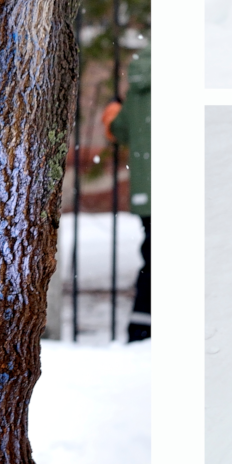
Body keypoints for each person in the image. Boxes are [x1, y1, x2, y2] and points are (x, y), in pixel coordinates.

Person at [105, 44, 150, 342]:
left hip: (149, 193)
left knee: (153, 258)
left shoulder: (138, 84)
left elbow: (119, 130)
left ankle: (140, 326)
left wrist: (112, 111)